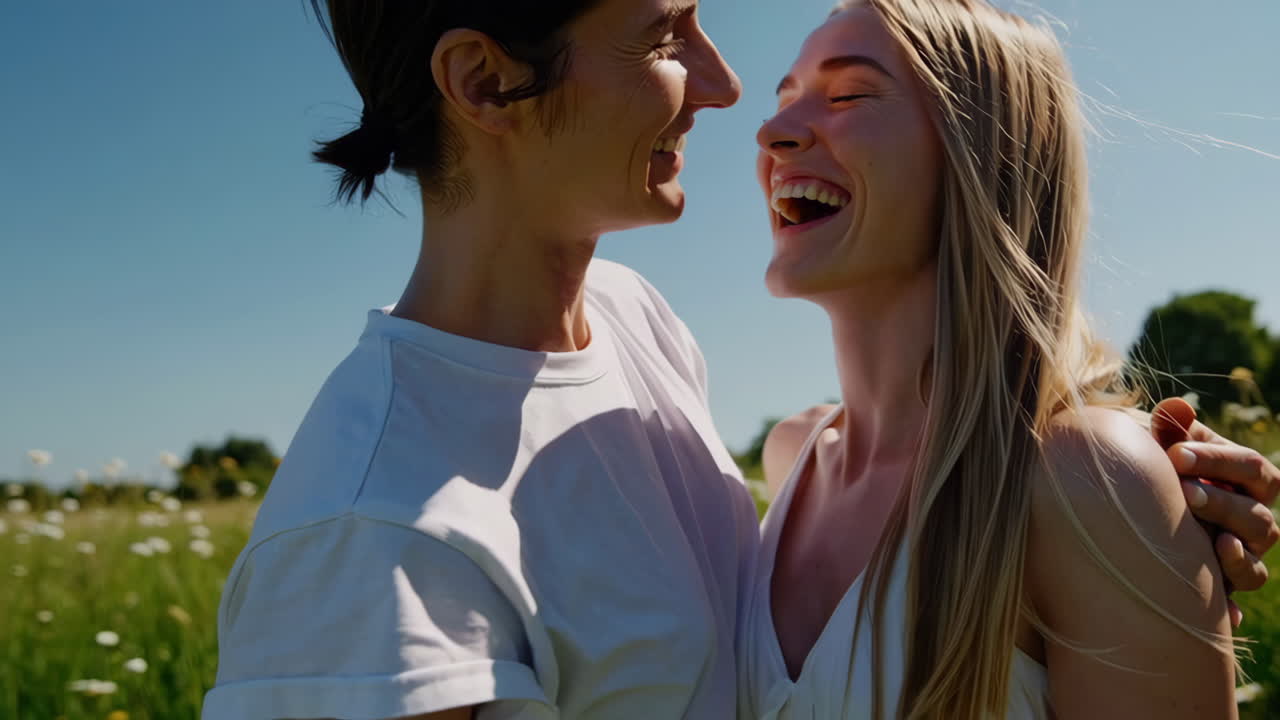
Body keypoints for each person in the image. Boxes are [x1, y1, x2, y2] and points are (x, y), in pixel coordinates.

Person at [200, 1, 1280, 719]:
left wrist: (1122, 516)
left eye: (845, 95)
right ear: (484, 84)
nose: (730, 100)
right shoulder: (368, 535)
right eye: (667, 34)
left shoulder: (640, 331)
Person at [738, 1, 1279, 718]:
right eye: (784, 102)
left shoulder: (1085, 481)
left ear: (984, 154)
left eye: (848, 96)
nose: (772, 133)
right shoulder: (790, 458)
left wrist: (1139, 508)